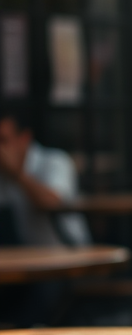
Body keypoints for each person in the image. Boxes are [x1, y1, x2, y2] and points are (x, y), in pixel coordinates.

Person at [0, 106, 90, 247]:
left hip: (70, 257)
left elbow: (51, 202)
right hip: (29, 259)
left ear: (24, 138)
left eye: (3, 140)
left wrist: (17, 175)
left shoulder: (56, 161)